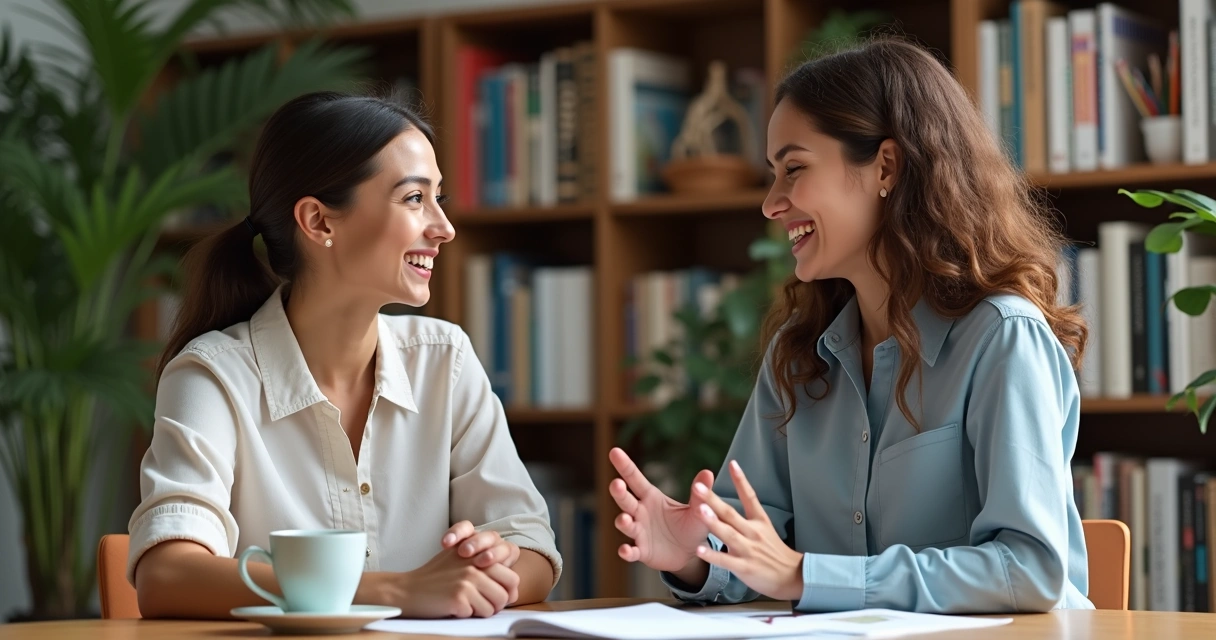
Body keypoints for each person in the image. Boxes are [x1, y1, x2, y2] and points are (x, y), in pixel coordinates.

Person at [607, 38, 1094, 614]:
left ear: (886, 166)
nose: (770, 203)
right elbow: (758, 542)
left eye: (794, 168)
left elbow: (1031, 568)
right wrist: (694, 552)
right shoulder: (796, 356)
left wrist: (808, 575)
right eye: (773, 175)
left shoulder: (1002, 338)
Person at [128, 92, 559, 619]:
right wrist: (396, 591)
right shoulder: (212, 377)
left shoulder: (445, 361)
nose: (444, 227)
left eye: (438, 197)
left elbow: (534, 552)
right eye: (414, 198)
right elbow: (166, 576)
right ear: (319, 222)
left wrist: (490, 565)